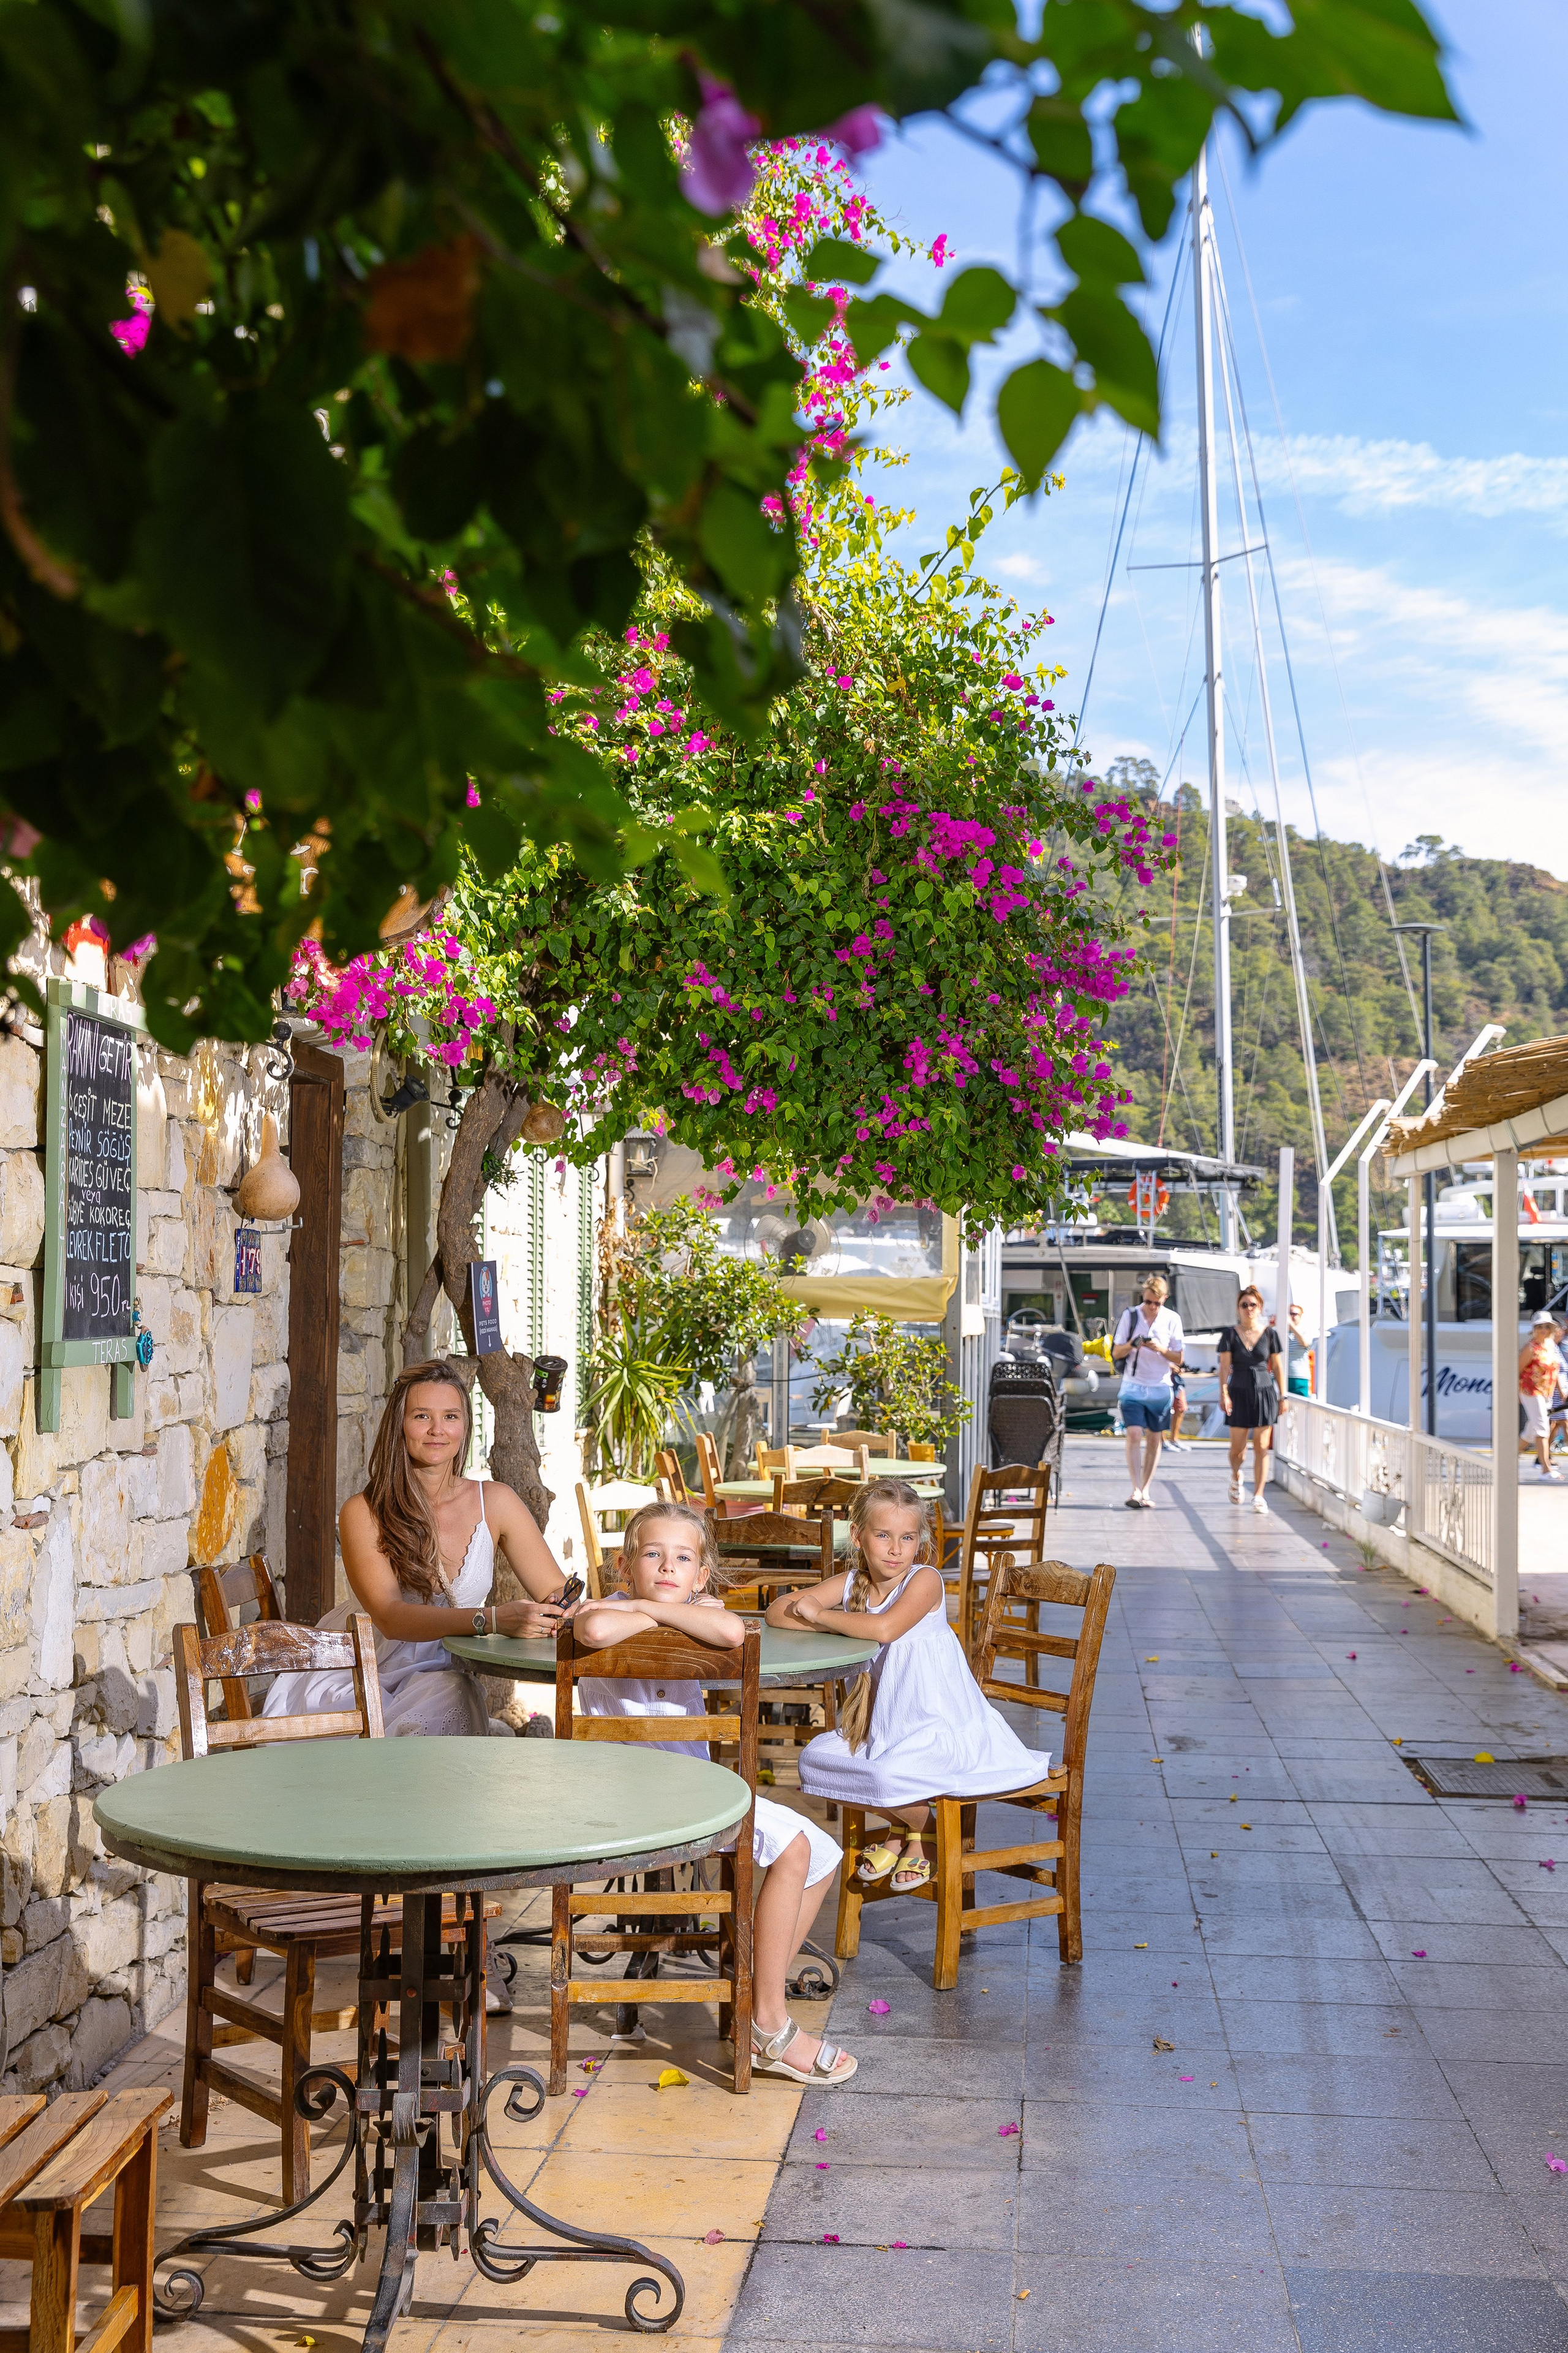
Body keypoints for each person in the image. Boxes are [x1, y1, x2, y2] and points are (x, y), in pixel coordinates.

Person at [571, 1502, 855, 2089]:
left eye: (682, 1558)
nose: (667, 1566)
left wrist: (661, 1609)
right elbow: (595, 1631)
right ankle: (768, 2023)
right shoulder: (604, 1611)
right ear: (625, 1565)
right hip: (635, 1801)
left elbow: (732, 1632)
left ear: (702, 1575)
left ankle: (753, 1992)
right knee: (799, 1849)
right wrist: (661, 1611)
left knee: (822, 1852)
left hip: (695, 1796)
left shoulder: (702, 1613)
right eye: (653, 1555)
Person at [263, 1358, 572, 1735]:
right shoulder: (363, 1511)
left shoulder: (497, 1501)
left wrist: (566, 1605)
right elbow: (392, 1618)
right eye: (422, 1416)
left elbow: (556, 1590)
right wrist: (491, 1620)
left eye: (451, 1417)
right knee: (449, 1709)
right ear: (400, 1426)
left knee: (452, 1698)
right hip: (364, 1673)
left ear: (465, 1427)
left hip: (443, 1677)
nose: (438, 1430)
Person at [784, 1479, 1044, 1889]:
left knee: (885, 1777)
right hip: (885, 1730)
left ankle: (923, 1833)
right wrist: (808, 1605)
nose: (895, 1548)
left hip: (938, 1728)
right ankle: (907, 1827)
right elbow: (783, 1612)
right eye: (883, 1535)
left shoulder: (924, 1580)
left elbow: (885, 1628)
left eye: (907, 1537)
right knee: (814, 1761)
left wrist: (818, 1615)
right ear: (858, 1535)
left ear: (918, 1541)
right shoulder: (853, 1583)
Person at [1110, 1274, 1185, 1509]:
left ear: (1165, 1299)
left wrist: (1161, 1349)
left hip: (1161, 1388)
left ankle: (1146, 1489)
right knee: (1133, 1434)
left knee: (1155, 1439)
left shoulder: (1172, 1319)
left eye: (1157, 1303)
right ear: (1143, 1295)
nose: (1152, 1307)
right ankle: (1135, 1489)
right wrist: (1133, 1344)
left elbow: (1179, 1358)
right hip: (1133, 1386)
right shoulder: (1130, 1316)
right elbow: (1116, 1353)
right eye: (1149, 1301)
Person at [1219, 1286, 1283, 1515]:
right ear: (1238, 1308)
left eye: (1252, 1305)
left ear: (1260, 1308)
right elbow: (1225, 1367)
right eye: (1244, 1305)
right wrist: (1223, 1393)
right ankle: (1236, 1476)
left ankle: (1259, 1495)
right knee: (1238, 1450)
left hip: (1265, 1391)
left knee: (1262, 1447)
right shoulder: (1230, 1335)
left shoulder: (1269, 1335)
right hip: (1238, 1390)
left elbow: (1276, 1366)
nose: (1248, 1309)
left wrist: (1282, 1395)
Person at [1519, 1311, 1565, 1483]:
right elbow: (1517, 1371)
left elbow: (1555, 1370)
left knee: (1531, 1432)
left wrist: (1561, 1391)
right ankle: (1546, 1470)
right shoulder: (1530, 1348)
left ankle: (1504, 1460)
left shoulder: (1551, 1345)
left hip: (1547, 1393)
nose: (1543, 1330)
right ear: (1534, 1329)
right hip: (1531, 1392)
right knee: (1542, 1429)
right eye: (1540, 1327)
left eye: (1547, 1326)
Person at [1285, 1302, 1313, 1399]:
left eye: (1294, 1314)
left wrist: (1292, 1326)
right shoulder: (1278, 1331)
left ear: (1301, 1316)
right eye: (1289, 1314)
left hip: (1299, 1377)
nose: (1291, 1316)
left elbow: (1305, 1343)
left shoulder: (1305, 1331)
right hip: (1281, 1376)